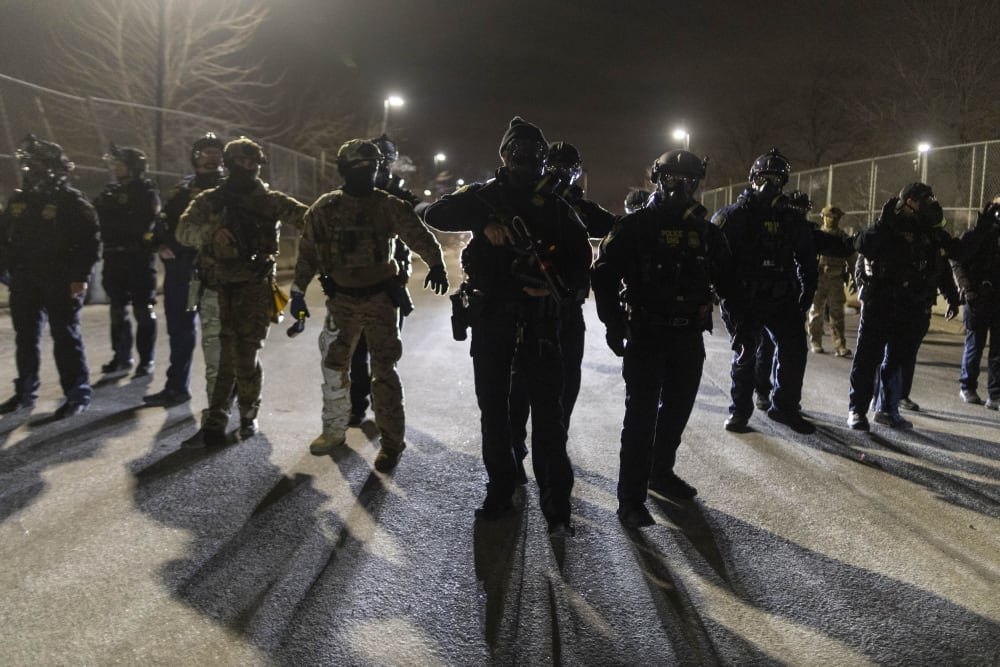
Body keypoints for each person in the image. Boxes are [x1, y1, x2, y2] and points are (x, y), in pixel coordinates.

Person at [424, 117, 593, 535]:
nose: (528, 163)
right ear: (504, 155)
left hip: (540, 325)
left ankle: (557, 509)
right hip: (493, 321)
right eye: (520, 155)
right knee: (495, 412)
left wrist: (560, 292)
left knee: (549, 419)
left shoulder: (556, 206)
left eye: (535, 156)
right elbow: (434, 212)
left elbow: (580, 262)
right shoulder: (485, 197)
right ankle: (500, 490)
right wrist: (483, 224)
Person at [592, 150, 744, 528]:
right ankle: (631, 499)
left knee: (676, 412)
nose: (681, 186)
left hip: (688, 336)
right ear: (658, 179)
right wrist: (612, 324)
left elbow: (728, 282)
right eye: (673, 177)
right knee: (641, 417)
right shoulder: (635, 226)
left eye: (689, 179)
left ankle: (662, 472)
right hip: (647, 333)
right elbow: (604, 274)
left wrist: (743, 325)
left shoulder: (706, 232)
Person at [290, 138, 448, 469]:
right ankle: (334, 430)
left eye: (371, 167)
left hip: (380, 299)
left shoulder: (388, 205)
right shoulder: (326, 208)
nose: (366, 172)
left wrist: (436, 263)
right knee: (334, 368)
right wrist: (297, 292)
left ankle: (391, 444)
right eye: (359, 167)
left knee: (384, 372)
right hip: (341, 301)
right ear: (344, 169)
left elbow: (417, 235)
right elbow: (307, 253)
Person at [176, 137, 307, 446]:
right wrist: (211, 235)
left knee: (245, 356)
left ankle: (248, 413)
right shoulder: (210, 200)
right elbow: (184, 231)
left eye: (254, 164)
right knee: (221, 358)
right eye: (243, 162)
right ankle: (217, 417)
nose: (249, 168)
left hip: (255, 287)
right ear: (230, 163)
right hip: (216, 287)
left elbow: (311, 220)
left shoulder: (270, 200)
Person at [507, 141, 614, 480]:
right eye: (556, 169)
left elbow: (612, 226)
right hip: (526, 309)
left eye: (569, 171)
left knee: (566, 384)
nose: (562, 176)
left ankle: (552, 448)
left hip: (566, 309)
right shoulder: (521, 200)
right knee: (520, 383)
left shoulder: (577, 207)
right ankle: (515, 447)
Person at [713, 148, 817, 435]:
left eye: (775, 178)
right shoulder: (733, 216)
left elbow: (807, 256)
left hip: (781, 295)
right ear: (753, 179)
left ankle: (784, 407)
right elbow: (715, 259)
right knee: (746, 353)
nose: (769, 183)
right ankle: (739, 412)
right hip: (744, 297)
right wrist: (725, 297)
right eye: (763, 177)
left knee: (795, 350)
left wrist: (808, 290)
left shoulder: (790, 218)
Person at [0, 134, 100, 417]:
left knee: (65, 335)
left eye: (41, 164)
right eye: (31, 164)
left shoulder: (70, 200)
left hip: (61, 278)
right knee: (25, 337)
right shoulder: (20, 199)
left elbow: (89, 242)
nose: (34, 169)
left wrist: (79, 276)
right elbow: (4, 236)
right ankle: (25, 392)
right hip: (25, 278)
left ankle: (77, 393)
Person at [847, 183, 961, 430]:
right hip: (882, 301)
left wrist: (952, 296)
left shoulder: (929, 231)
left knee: (898, 360)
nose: (930, 202)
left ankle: (887, 408)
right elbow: (861, 245)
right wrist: (883, 224)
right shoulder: (890, 224)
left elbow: (942, 265)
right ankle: (857, 409)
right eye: (924, 198)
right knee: (868, 357)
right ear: (909, 200)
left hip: (914, 304)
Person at [344, 133, 421, 427]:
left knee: (385, 350)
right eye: (376, 159)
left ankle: (381, 403)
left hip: (390, 280)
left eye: (386, 160)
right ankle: (358, 404)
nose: (380, 165)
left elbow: (416, 214)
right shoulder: (352, 191)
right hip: (355, 279)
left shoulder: (396, 191)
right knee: (356, 349)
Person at [143, 133, 226, 407]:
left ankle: (224, 394)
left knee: (220, 335)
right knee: (180, 331)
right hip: (181, 272)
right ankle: (177, 387)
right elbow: (162, 222)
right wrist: (160, 245)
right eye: (205, 152)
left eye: (216, 152)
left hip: (217, 272)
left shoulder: (232, 189)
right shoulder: (181, 190)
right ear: (195, 156)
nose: (211, 157)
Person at [93, 144, 161, 377]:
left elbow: (140, 224)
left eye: (121, 164)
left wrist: (116, 218)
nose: (116, 168)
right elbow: (98, 218)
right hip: (114, 257)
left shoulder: (146, 192)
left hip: (139, 259)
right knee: (117, 309)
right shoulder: (109, 192)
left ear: (134, 168)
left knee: (143, 309)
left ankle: (146, 360)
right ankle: (121, 356)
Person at [951, 197, 1000, 409]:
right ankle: (967, 386)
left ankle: (995, 395)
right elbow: (957, 260)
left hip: (996, 299)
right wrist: (966, 288)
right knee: (975, 344)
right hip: (977, 297)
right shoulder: (975, 236)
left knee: (998, 349)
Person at [808, 205, 856, 357]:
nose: (832, 220)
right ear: (823, 217)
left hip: (836, 280)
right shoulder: (817, 236)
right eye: (829, 217)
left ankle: (840, 345)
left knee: (837, 314)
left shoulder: (842, 238)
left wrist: (855, 277)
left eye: (835, 218)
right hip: (819, 278)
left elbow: (851, 259)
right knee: (816, 313)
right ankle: (815, 341)